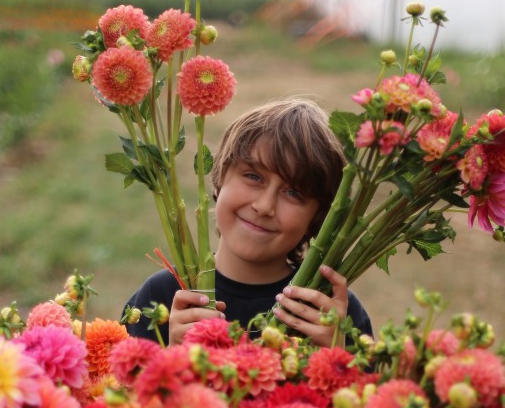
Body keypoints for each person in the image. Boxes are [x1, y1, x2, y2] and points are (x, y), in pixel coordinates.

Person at [123, 98, 372, 346]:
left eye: (293, 193)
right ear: (219, 179)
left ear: (318, 219)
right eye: (254, 177)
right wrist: (172, 356)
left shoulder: (329, 314)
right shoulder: (161, 297)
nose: (264, 206)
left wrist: (336, 358)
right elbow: (117, 383)